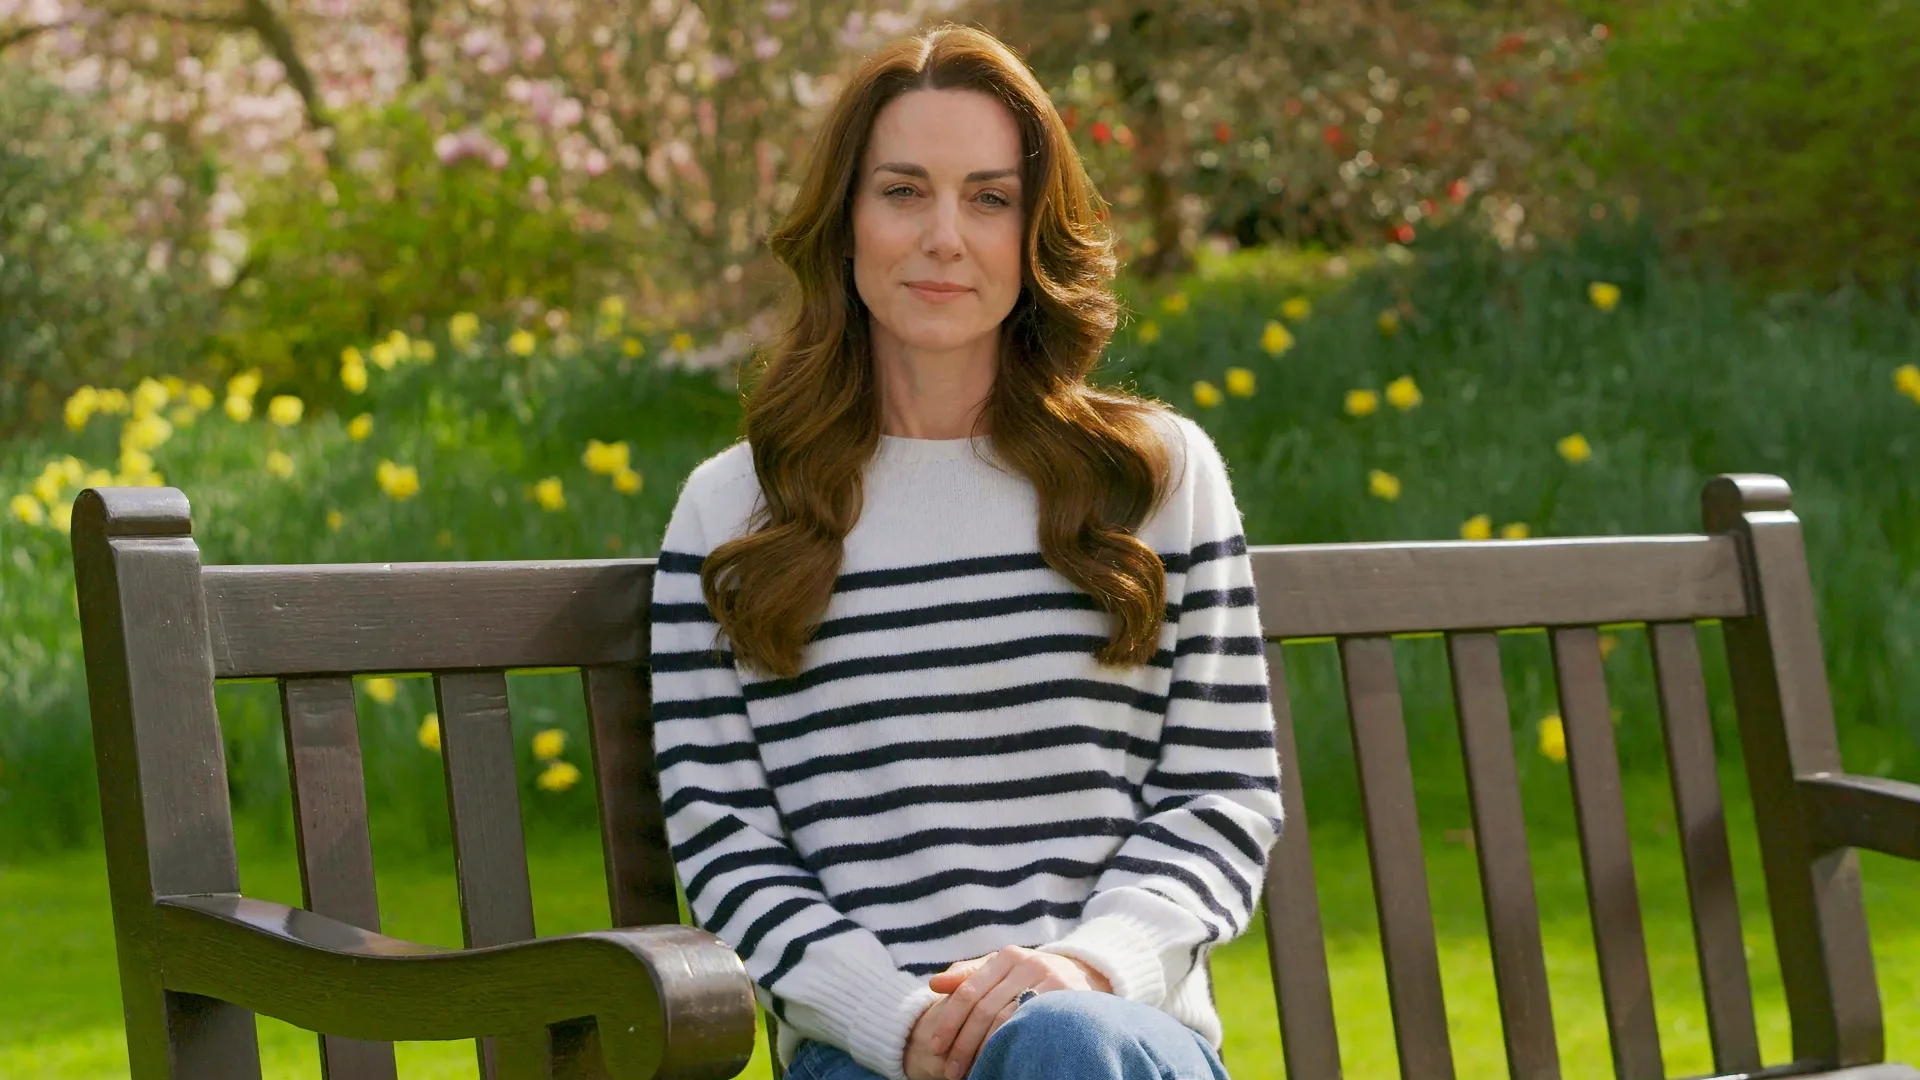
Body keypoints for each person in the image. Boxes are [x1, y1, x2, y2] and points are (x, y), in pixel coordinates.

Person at [648, 22, 1282, 1080]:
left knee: (1061, 1049)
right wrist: (898, 1020)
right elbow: (727, 841)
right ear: (844, 222)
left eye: (989, 198)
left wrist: (1084, 969)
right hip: (870, 1053)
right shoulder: (736, 513)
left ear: (1035, 233)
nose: (946, 234)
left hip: (1112, 1039)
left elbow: (1220, 792)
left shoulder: (1155, 481)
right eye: (903, 191)